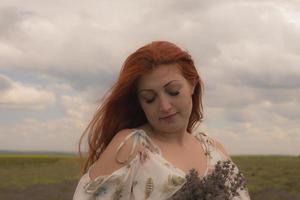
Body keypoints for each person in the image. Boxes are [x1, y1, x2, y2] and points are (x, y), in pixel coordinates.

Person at [73, 41, 251, 200]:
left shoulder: (215, 151)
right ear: (139, 103)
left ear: (192, 85)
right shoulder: (131, 146)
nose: (164, 106)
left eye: (173, 91)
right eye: (150, 98)